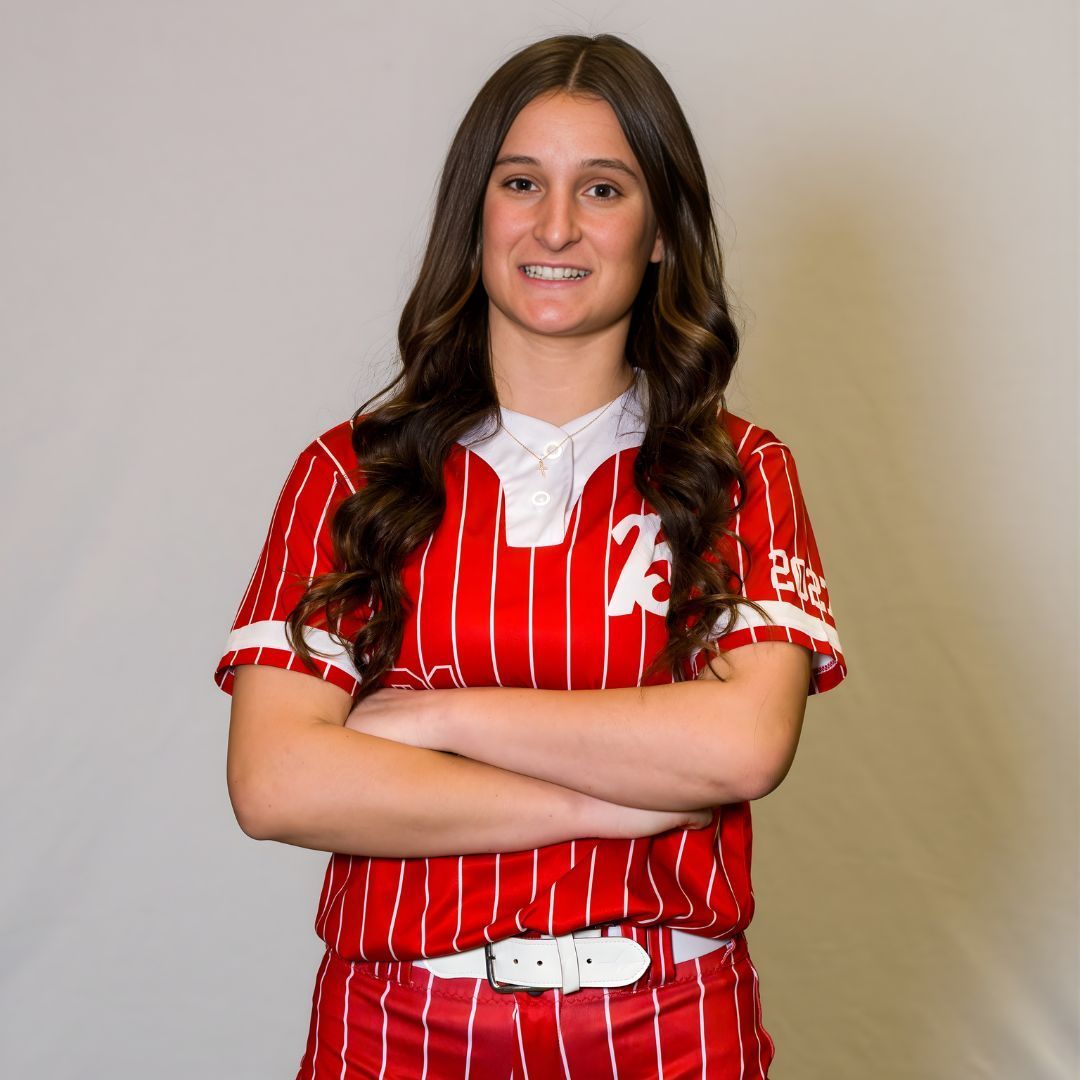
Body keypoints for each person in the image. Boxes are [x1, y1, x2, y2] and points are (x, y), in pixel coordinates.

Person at [213, 32, 847, 1079]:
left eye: (603, 188)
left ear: (659, 233)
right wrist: (607, 804)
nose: (557, 224)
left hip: (668, 1022)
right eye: (522, 183)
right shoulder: (351, 473)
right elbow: (278, 779)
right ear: (476, 216)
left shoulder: (739, 471)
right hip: (401, 1024)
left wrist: (443, 716)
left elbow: (739, 748)